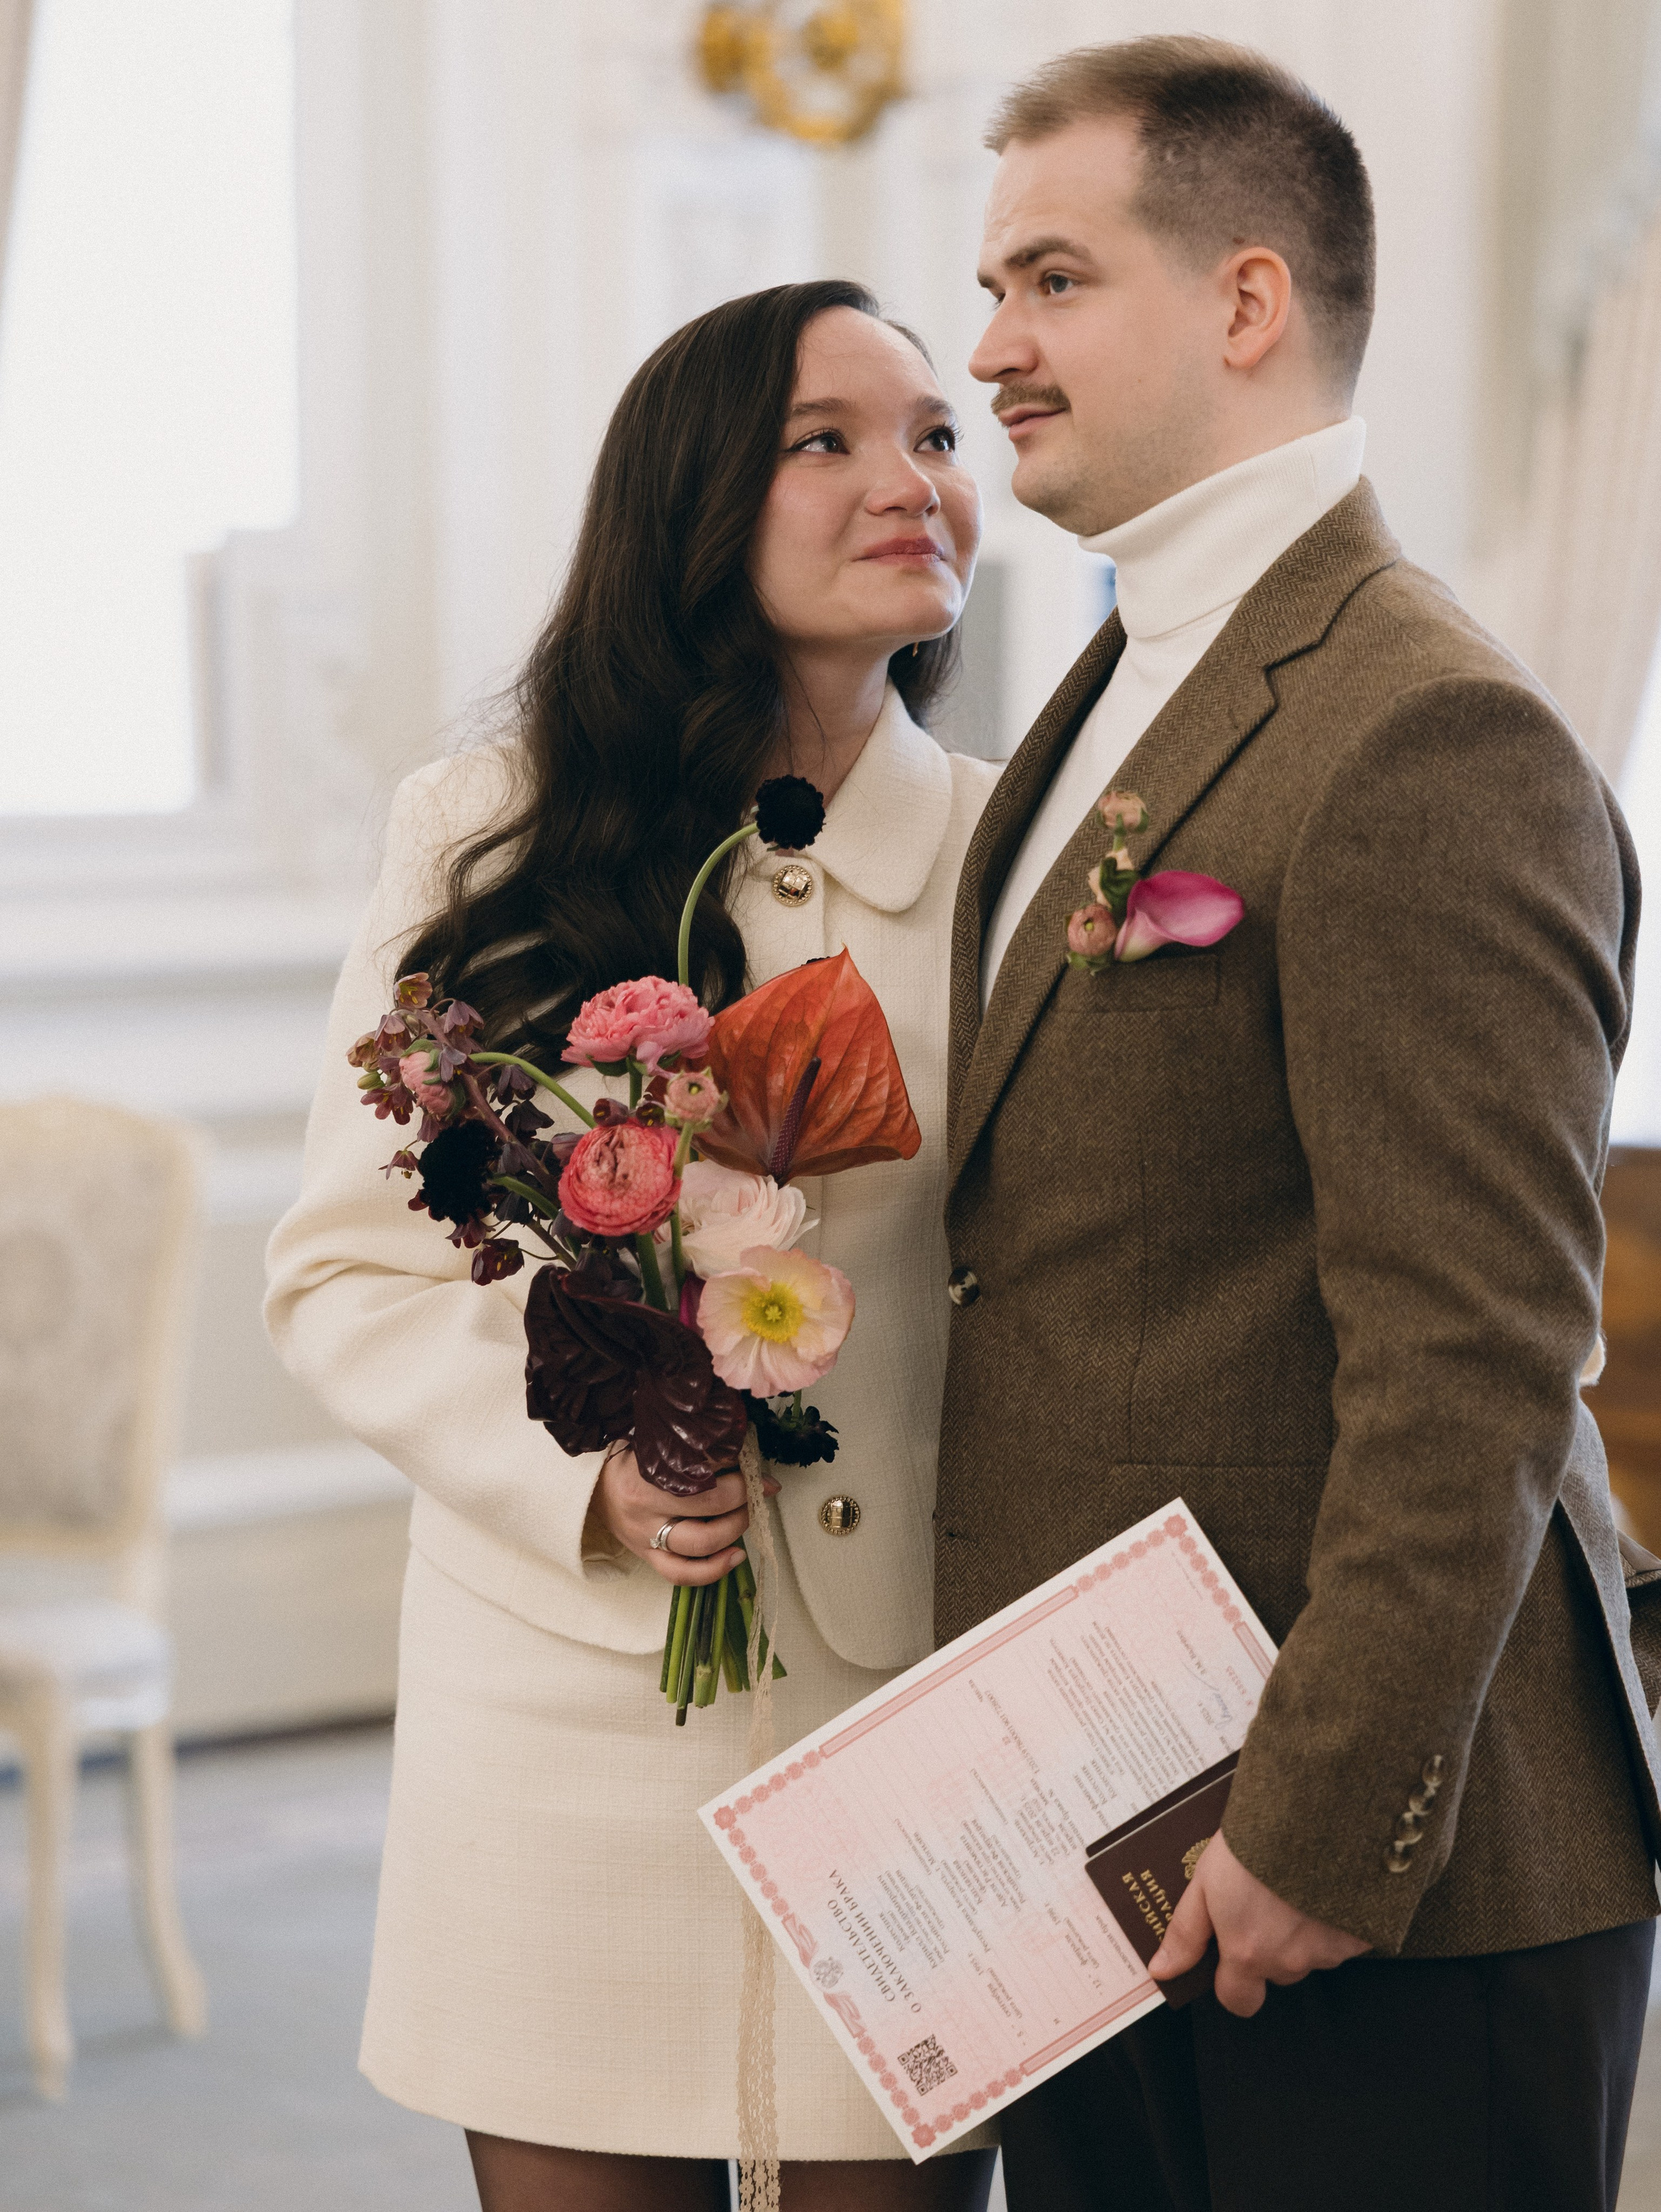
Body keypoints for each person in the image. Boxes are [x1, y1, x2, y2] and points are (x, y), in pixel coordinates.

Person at [936, 36, 1658, 2212]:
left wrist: (1323, 1823)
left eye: (1053, 280)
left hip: (1366, 1884)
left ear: (1246, 300)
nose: (992, 348)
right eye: (993, 289)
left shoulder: (1427, 728)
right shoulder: (1106, 688)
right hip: (1114, 1832)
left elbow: (1476, 1354)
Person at [265, 280, 1001, 2212]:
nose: (912, 479)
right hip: (560, 1712)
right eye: (828, 440)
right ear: (694, 501)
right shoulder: (486, 829)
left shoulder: (1012, 857)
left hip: (907, 1722)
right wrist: (588, 1471)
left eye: (936, 434)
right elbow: (345, 1272)